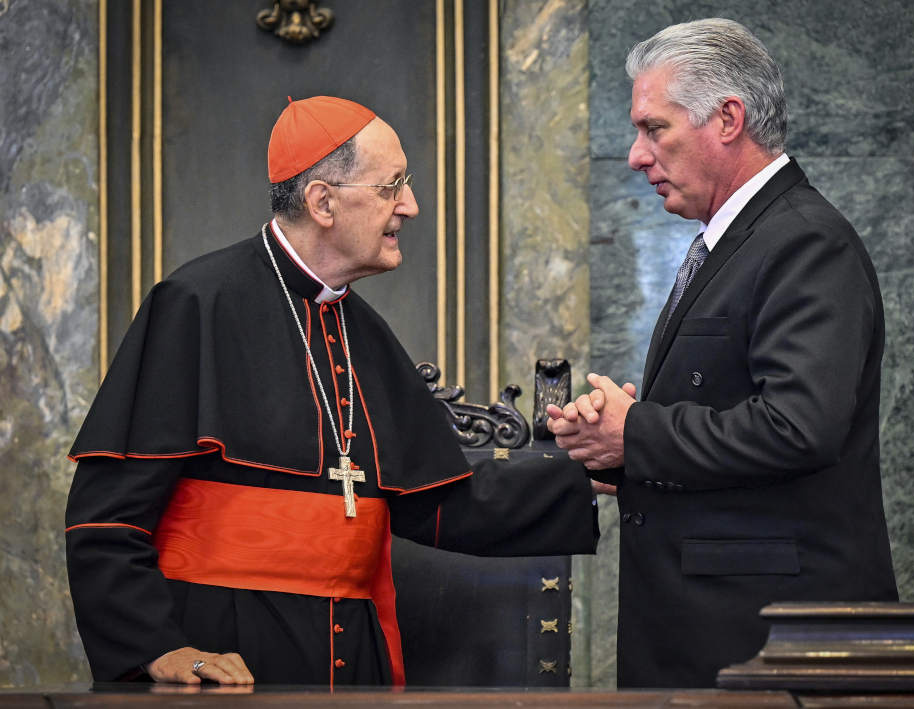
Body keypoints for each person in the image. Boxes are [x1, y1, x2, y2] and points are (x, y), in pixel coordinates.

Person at [65, 96, 599, 687]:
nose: (411, 206)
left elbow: (436, 500)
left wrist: (589, 466)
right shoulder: (197, 304)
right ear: (323, 201)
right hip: (223, 652)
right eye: (392, 185)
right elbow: (105, 517)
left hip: (352, 654)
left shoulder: (362, 330)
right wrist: (158, 648)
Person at [548, 19, 898, 688]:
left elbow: (798, 425)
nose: (635, 155)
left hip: (769, 643)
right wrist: (616, 451)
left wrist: (638, 430)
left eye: (655, 129)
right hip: (717, 632)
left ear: (728, 118)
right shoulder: (739, 237)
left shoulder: (803, 242)